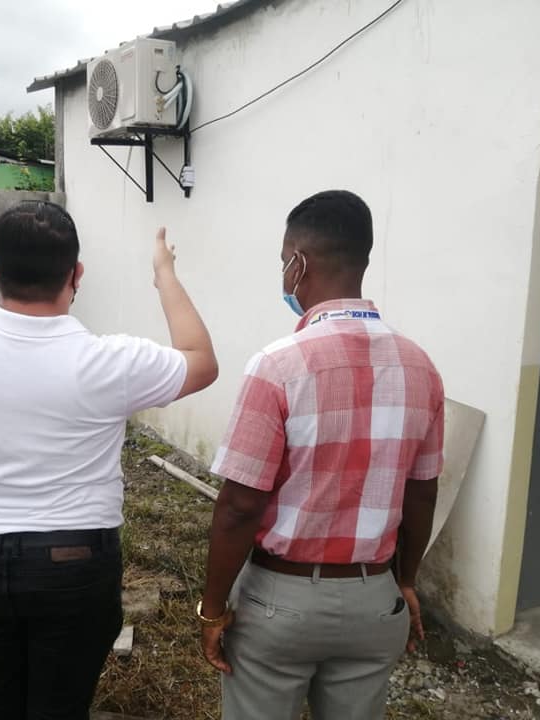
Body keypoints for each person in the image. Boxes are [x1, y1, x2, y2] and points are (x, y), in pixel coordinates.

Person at [0, 200, 218, 720]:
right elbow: (201, 362)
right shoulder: (110, 360)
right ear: (76, 274)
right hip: (76, 565)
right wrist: (163, 274)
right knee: (61, 706)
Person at [198, 190, 444, 720]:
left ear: (299, 263)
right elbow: (422, 493)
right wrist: (405, 580)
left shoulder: (277, 366)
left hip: (279, 602)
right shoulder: (421, 367)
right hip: (373, 600)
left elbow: (240, 505)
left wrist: (212, 609)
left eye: (282, 261)